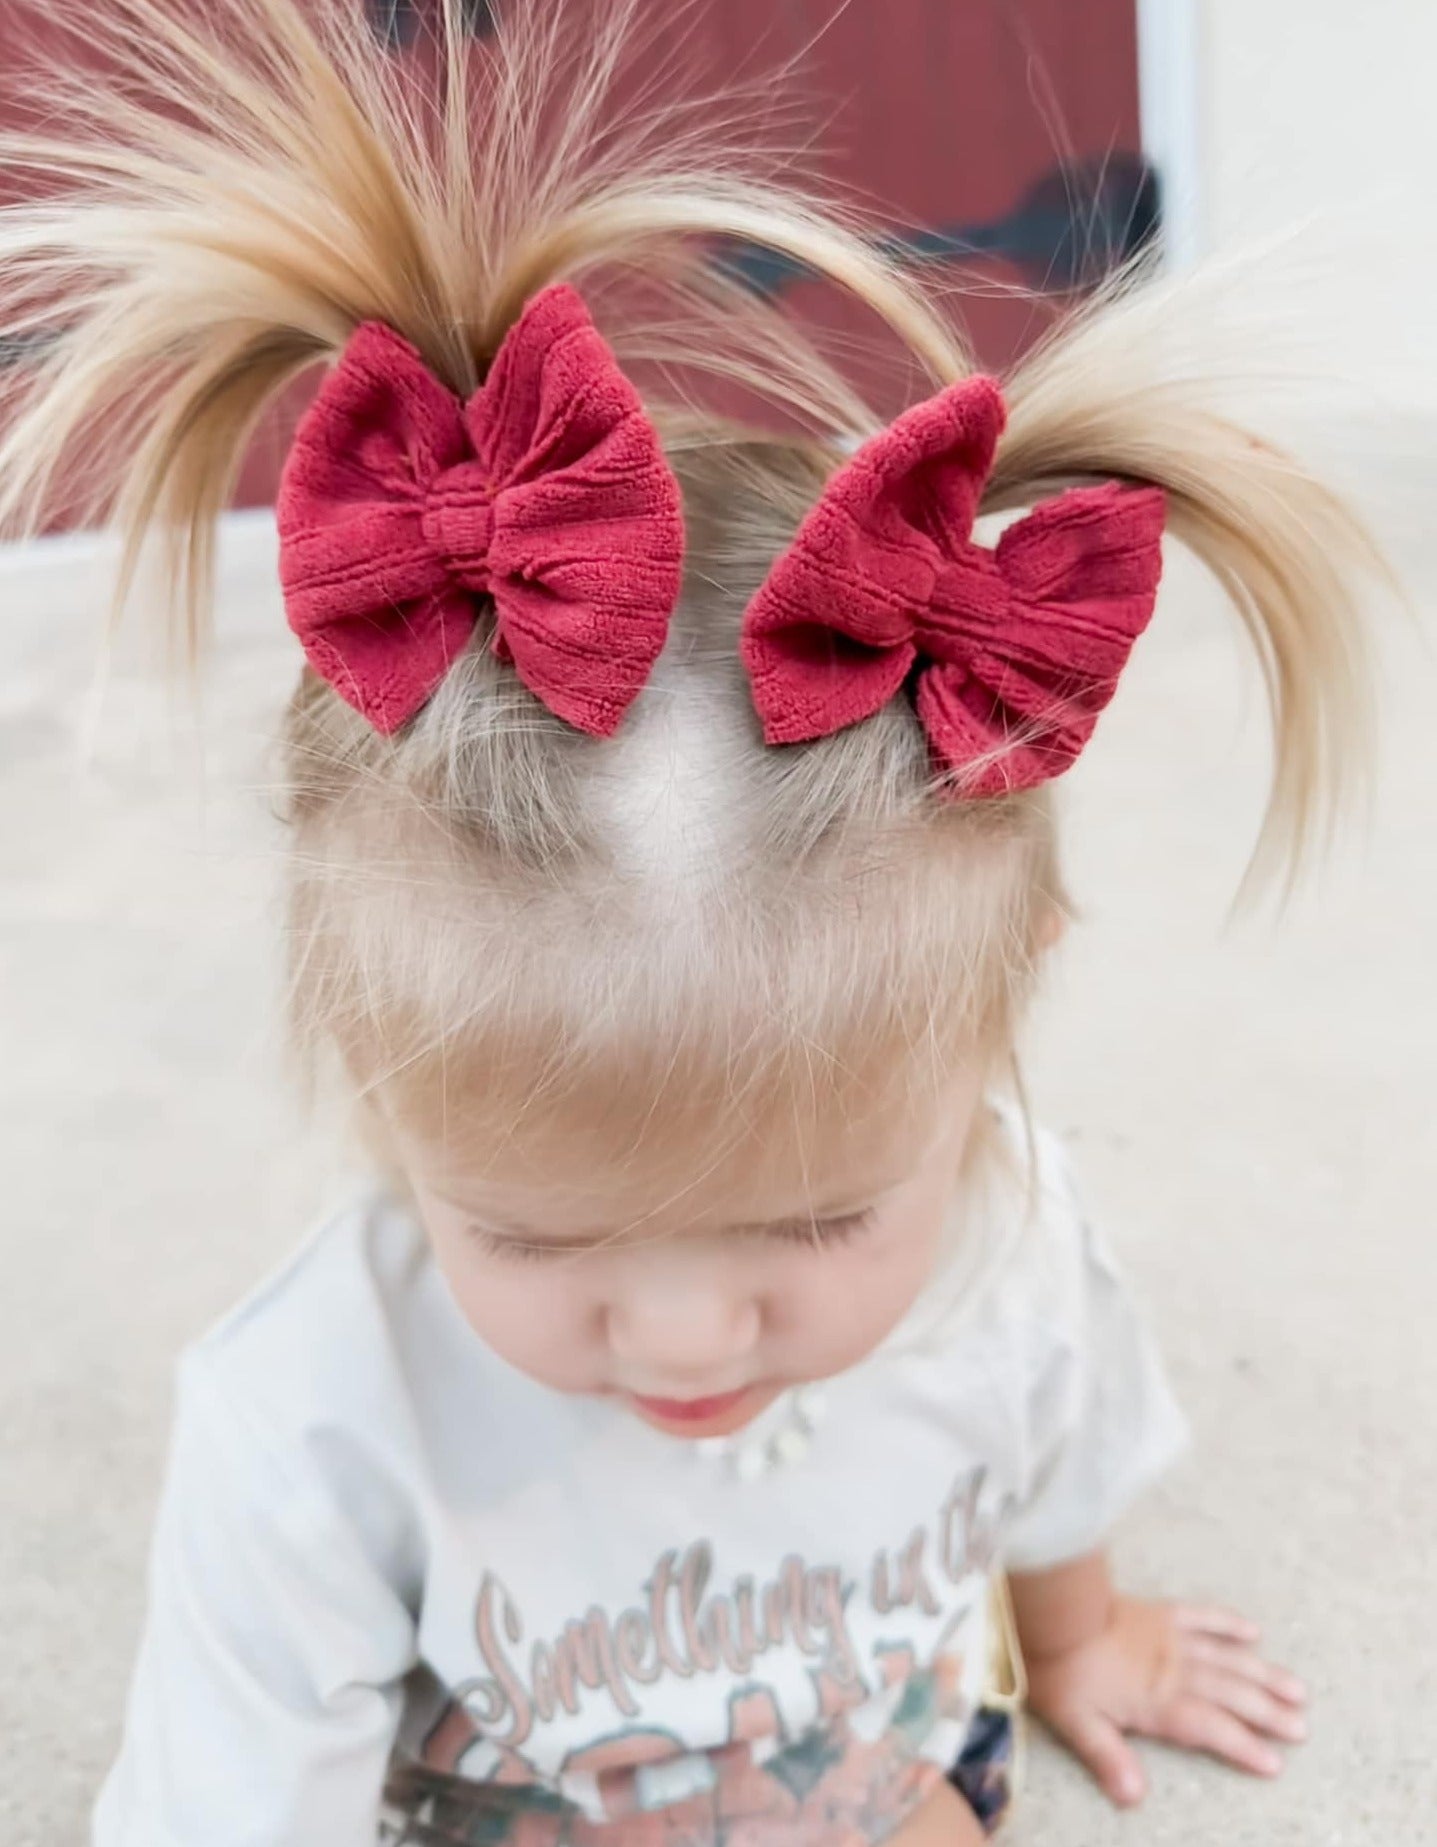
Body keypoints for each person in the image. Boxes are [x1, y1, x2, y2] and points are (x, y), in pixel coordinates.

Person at [0, 1, 1384, 1841]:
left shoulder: (1011, 1232)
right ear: (371, 1065)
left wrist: (1080, 1635)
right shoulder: (314, 1417)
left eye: (817, 1219)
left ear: (997, 1022)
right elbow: (234, 1793)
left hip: (883, 1755)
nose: (678, 1343)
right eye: (531, 1236)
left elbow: (1054, 1453)